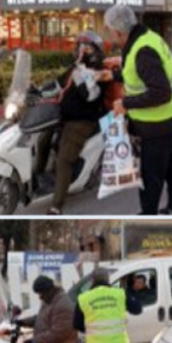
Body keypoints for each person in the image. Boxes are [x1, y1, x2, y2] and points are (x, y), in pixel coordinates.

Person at [98, 5, 172, 215]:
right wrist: (113, 76)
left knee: (151, 175)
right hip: (169, 118)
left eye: (110, 31)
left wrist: (126, 103)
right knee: (170, 166)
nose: (110, 36)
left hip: (158, 124)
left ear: (119, 31)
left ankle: (148, 217)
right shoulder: (144, 38)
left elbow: (160, 92)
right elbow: (137, 74)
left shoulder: (143, 51)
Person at [34, 32, 108, 215]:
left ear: (96, 51)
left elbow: (91, 96)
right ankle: (37, 179)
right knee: (42, 141)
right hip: (62, 116)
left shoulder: (98, 71)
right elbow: (58, 84)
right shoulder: (76, 67)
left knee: (64, 159)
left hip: (81, 121)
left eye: (86, 47)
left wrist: (81, 75)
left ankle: (57, 205)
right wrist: (37, 90)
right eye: (79, 46)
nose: (80, 50)